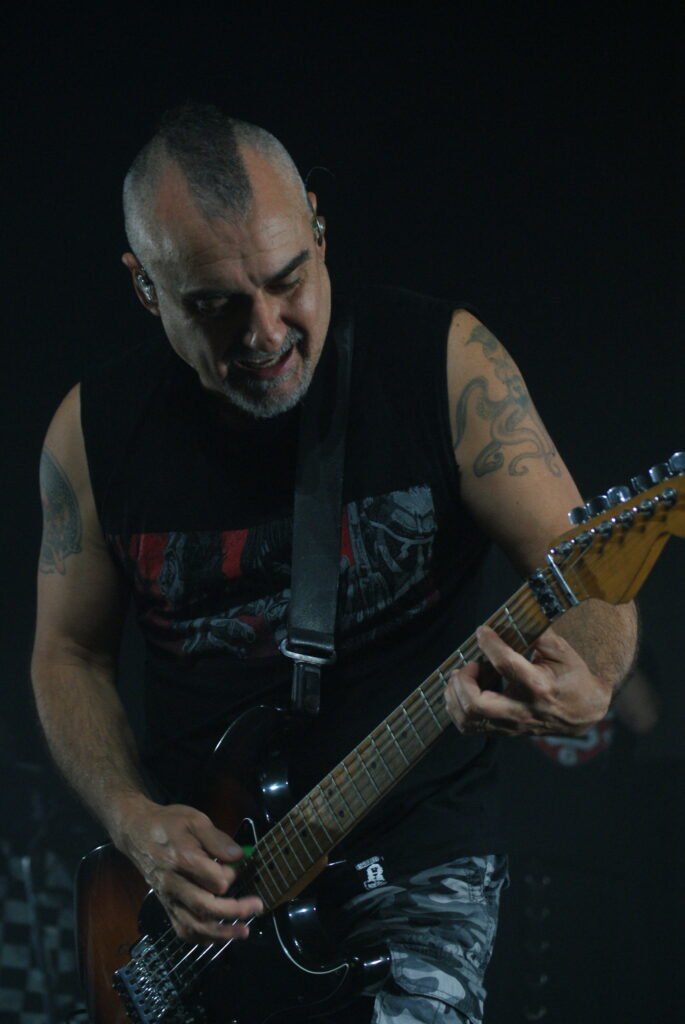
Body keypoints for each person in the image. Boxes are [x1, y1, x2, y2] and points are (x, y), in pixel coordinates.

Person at [31, 103, 637, 1024]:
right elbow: (67, 653)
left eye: (288, 281)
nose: (266, 332)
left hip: (414, 856)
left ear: (317, 226)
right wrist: (131, 819)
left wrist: (589, 673)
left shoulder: (442, 365)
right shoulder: (93, 433)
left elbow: (583, 569)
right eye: (214, 305)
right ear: (145, 287)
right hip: (197, 911)